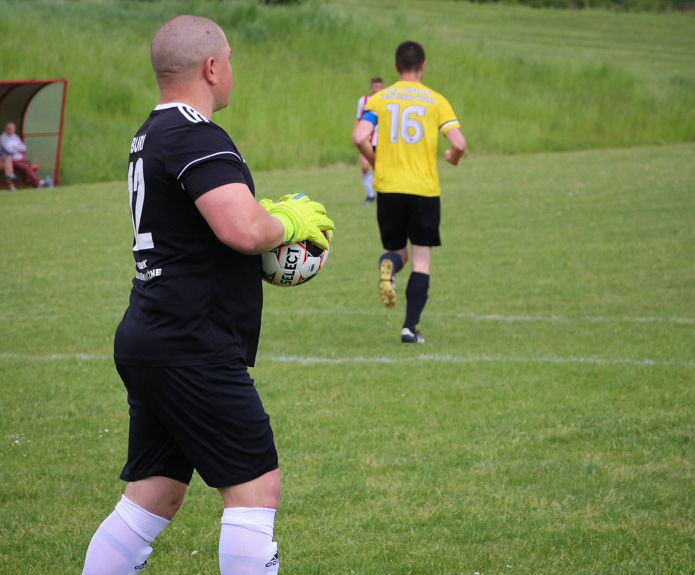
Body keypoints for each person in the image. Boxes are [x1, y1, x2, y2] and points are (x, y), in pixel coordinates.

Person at [81, 15, 333, 575]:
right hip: (192, 342)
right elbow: (242, 230)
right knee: (256, 489)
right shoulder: (195, 133)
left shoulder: (150, 133)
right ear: (213, 67)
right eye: (231, 60)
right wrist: (285, 220)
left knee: (155, 494)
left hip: (154, 332)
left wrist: (259, 221)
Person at [352, 41, 465, 343]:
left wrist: (376, 161)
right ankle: (409, 328)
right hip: (423, 190)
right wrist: (452, 159)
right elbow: (459, 144)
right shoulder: (436, 101)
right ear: (423, 66)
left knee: (397, 251)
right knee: (421, 261)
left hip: (388, 188)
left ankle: (388, 265)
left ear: (396, 67)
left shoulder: (381, 99)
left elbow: (359, 136)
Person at [354, 76, 383, 206]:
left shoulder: (386, 99)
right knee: (365, 166)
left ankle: (383, 193)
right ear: (371, 87)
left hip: (381, 139)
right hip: (366, 138)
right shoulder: (364, 100)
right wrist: (355, 133)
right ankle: (370, 195)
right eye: (375, 87)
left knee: (379, 167)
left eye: (380, 87)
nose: (377, 89)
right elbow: (359, 118)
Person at [0, 122, 51, 189]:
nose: (11, 130)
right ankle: (38, 183)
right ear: (6, 129)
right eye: (9, 129)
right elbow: (9, 150)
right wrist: (17, 147)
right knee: (26, 167)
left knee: (29, 165)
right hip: (11, 160)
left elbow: (24, 147)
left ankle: (39, 182)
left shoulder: (16, 137)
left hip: (20, 158)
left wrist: (14, 146)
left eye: (12, 128)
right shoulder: (3, 138)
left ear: (14, 129)